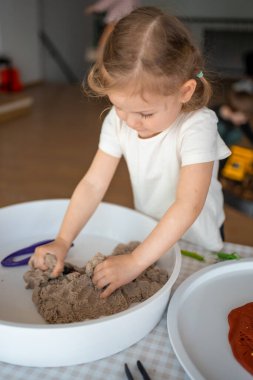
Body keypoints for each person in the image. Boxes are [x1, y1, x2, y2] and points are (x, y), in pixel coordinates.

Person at [30, 7, 231, 298]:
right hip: (150, 233)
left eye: (145, 113)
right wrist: (63, 239)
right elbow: (93, 184)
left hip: (196, 240)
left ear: (185, 91)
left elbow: (188, 206)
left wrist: (136, 262)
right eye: (119, 106)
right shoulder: (118, 120)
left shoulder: (197, 126)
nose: (130, 121)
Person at [215, 78, 253, 148]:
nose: (244, 121)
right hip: (212, 139)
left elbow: (246, 128)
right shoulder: (213, 117)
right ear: (230, 110)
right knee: (221, 128)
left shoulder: (239, 113)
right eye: (241, 120)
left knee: (237, 133)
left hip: (226, 136)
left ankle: (225, 149)